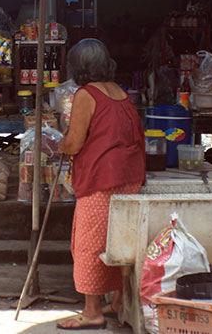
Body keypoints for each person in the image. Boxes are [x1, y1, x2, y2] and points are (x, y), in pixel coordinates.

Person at [56, 38, 146, 330]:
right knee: (119, 243)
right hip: (129, 178)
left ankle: (92, 311)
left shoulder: (86, 94)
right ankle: (118, 302)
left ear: (78, 67)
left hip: (102, 180)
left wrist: (57, 145)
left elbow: (74, 142)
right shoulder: (119, 92)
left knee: (89, 245)